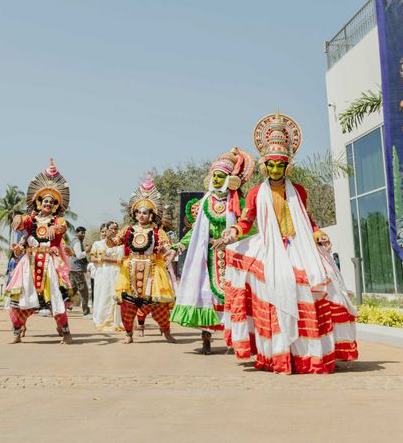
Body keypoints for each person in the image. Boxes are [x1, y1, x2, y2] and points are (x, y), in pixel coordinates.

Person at [218, 114, 358, 374]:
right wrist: (232, 233)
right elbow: (246, 220)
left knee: (321, 277)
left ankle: (312, 356)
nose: (274, 170)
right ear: (265, 165)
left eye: (279, 166)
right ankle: (279, 354)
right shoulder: (256, 193)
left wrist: (319, 235)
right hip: (269, 248)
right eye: (270, 165)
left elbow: (309, 220)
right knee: (279, 281)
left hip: (299, 244)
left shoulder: (300, 191)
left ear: (287, 166)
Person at [168, 147, 253, 354]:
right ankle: (206, 340)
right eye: (214, 175)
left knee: (234, 297)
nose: (216, 180)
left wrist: (231, 238)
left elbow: (249, 228)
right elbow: (195, 232)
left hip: (233, 256)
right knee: (206, 296)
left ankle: (237, 339)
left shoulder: (239, 202)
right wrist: (178, 246)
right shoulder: (205, 202)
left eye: (221, 176)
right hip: (207, 258)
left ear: (229, 179)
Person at [3, 158, 74, 344]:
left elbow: (62, 228)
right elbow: (21, 223)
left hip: (50, 263)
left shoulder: (59, 221)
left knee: (56, 298)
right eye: (45, 201)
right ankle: (17, 333)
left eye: (52, 202)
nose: (48, 204)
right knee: (19, 297)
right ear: (39, 202)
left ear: (56, 205)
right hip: (30, 262)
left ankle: (66, 333)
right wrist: (18, 218)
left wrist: (56, 229)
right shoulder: (31, 220)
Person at [110, 175, 177, 344]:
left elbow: (168, 247)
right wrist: (110, 239)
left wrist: (164, 250)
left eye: (145, 212)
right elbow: (114, 243)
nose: (141, 215)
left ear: (151, 215)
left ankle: (167, 331)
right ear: (134, 213)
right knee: (127, 304)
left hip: (153, 271)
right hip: (130, 269)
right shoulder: (127, 229)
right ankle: (129, 334)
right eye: (138, 212)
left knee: (159, 305)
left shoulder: (158, 231)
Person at [90, 221, 124, 332]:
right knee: (104, 294)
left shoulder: (121, 243)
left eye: (115, 229)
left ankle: (119, 321)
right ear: (106, 229)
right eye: (111, 228)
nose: (113, 231)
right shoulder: (99, 244)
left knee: (119, 295)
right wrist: (118, 260)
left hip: (119, 272)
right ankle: (103, 319)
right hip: (104, 272)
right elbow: (98, 258)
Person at [69, 226, 91, 315]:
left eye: (84, 233)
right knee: (84, 291)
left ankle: (61, 306)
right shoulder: (77, 242)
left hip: (72, 268)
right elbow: (79, 256)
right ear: (76, 233)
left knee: (73, 290)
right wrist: (87, 251)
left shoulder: (73, 241)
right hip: (77, 269)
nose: (83, 235)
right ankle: (86, 312)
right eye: (81, 233)